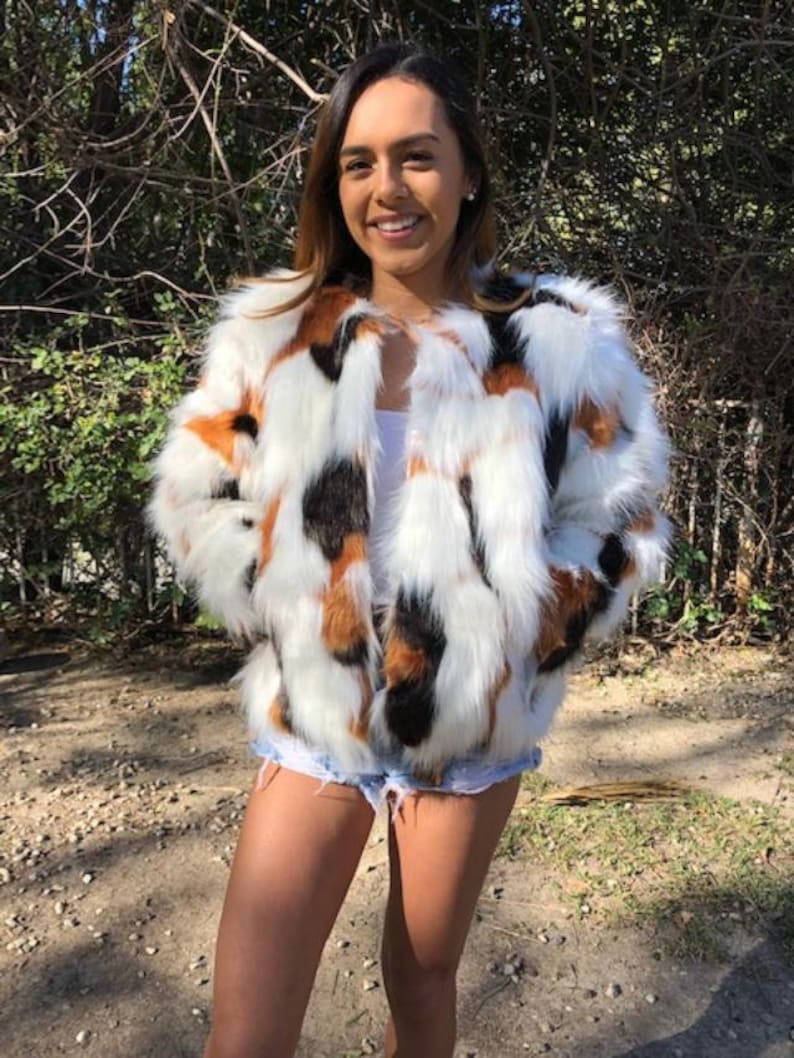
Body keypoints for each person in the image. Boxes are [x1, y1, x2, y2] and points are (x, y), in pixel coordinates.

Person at [148, 42, 669, 1058]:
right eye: (358, 162)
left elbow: (621, 516)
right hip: (318, 714)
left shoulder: (556, 341)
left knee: (420, 975)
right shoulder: (275, 332)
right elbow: (195, 492)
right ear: (333, 182)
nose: (385, 187)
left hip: (466, 728)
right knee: (245, 1028)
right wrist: (289, 604)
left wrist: (513, 634)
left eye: (416, 156)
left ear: (467, 171)